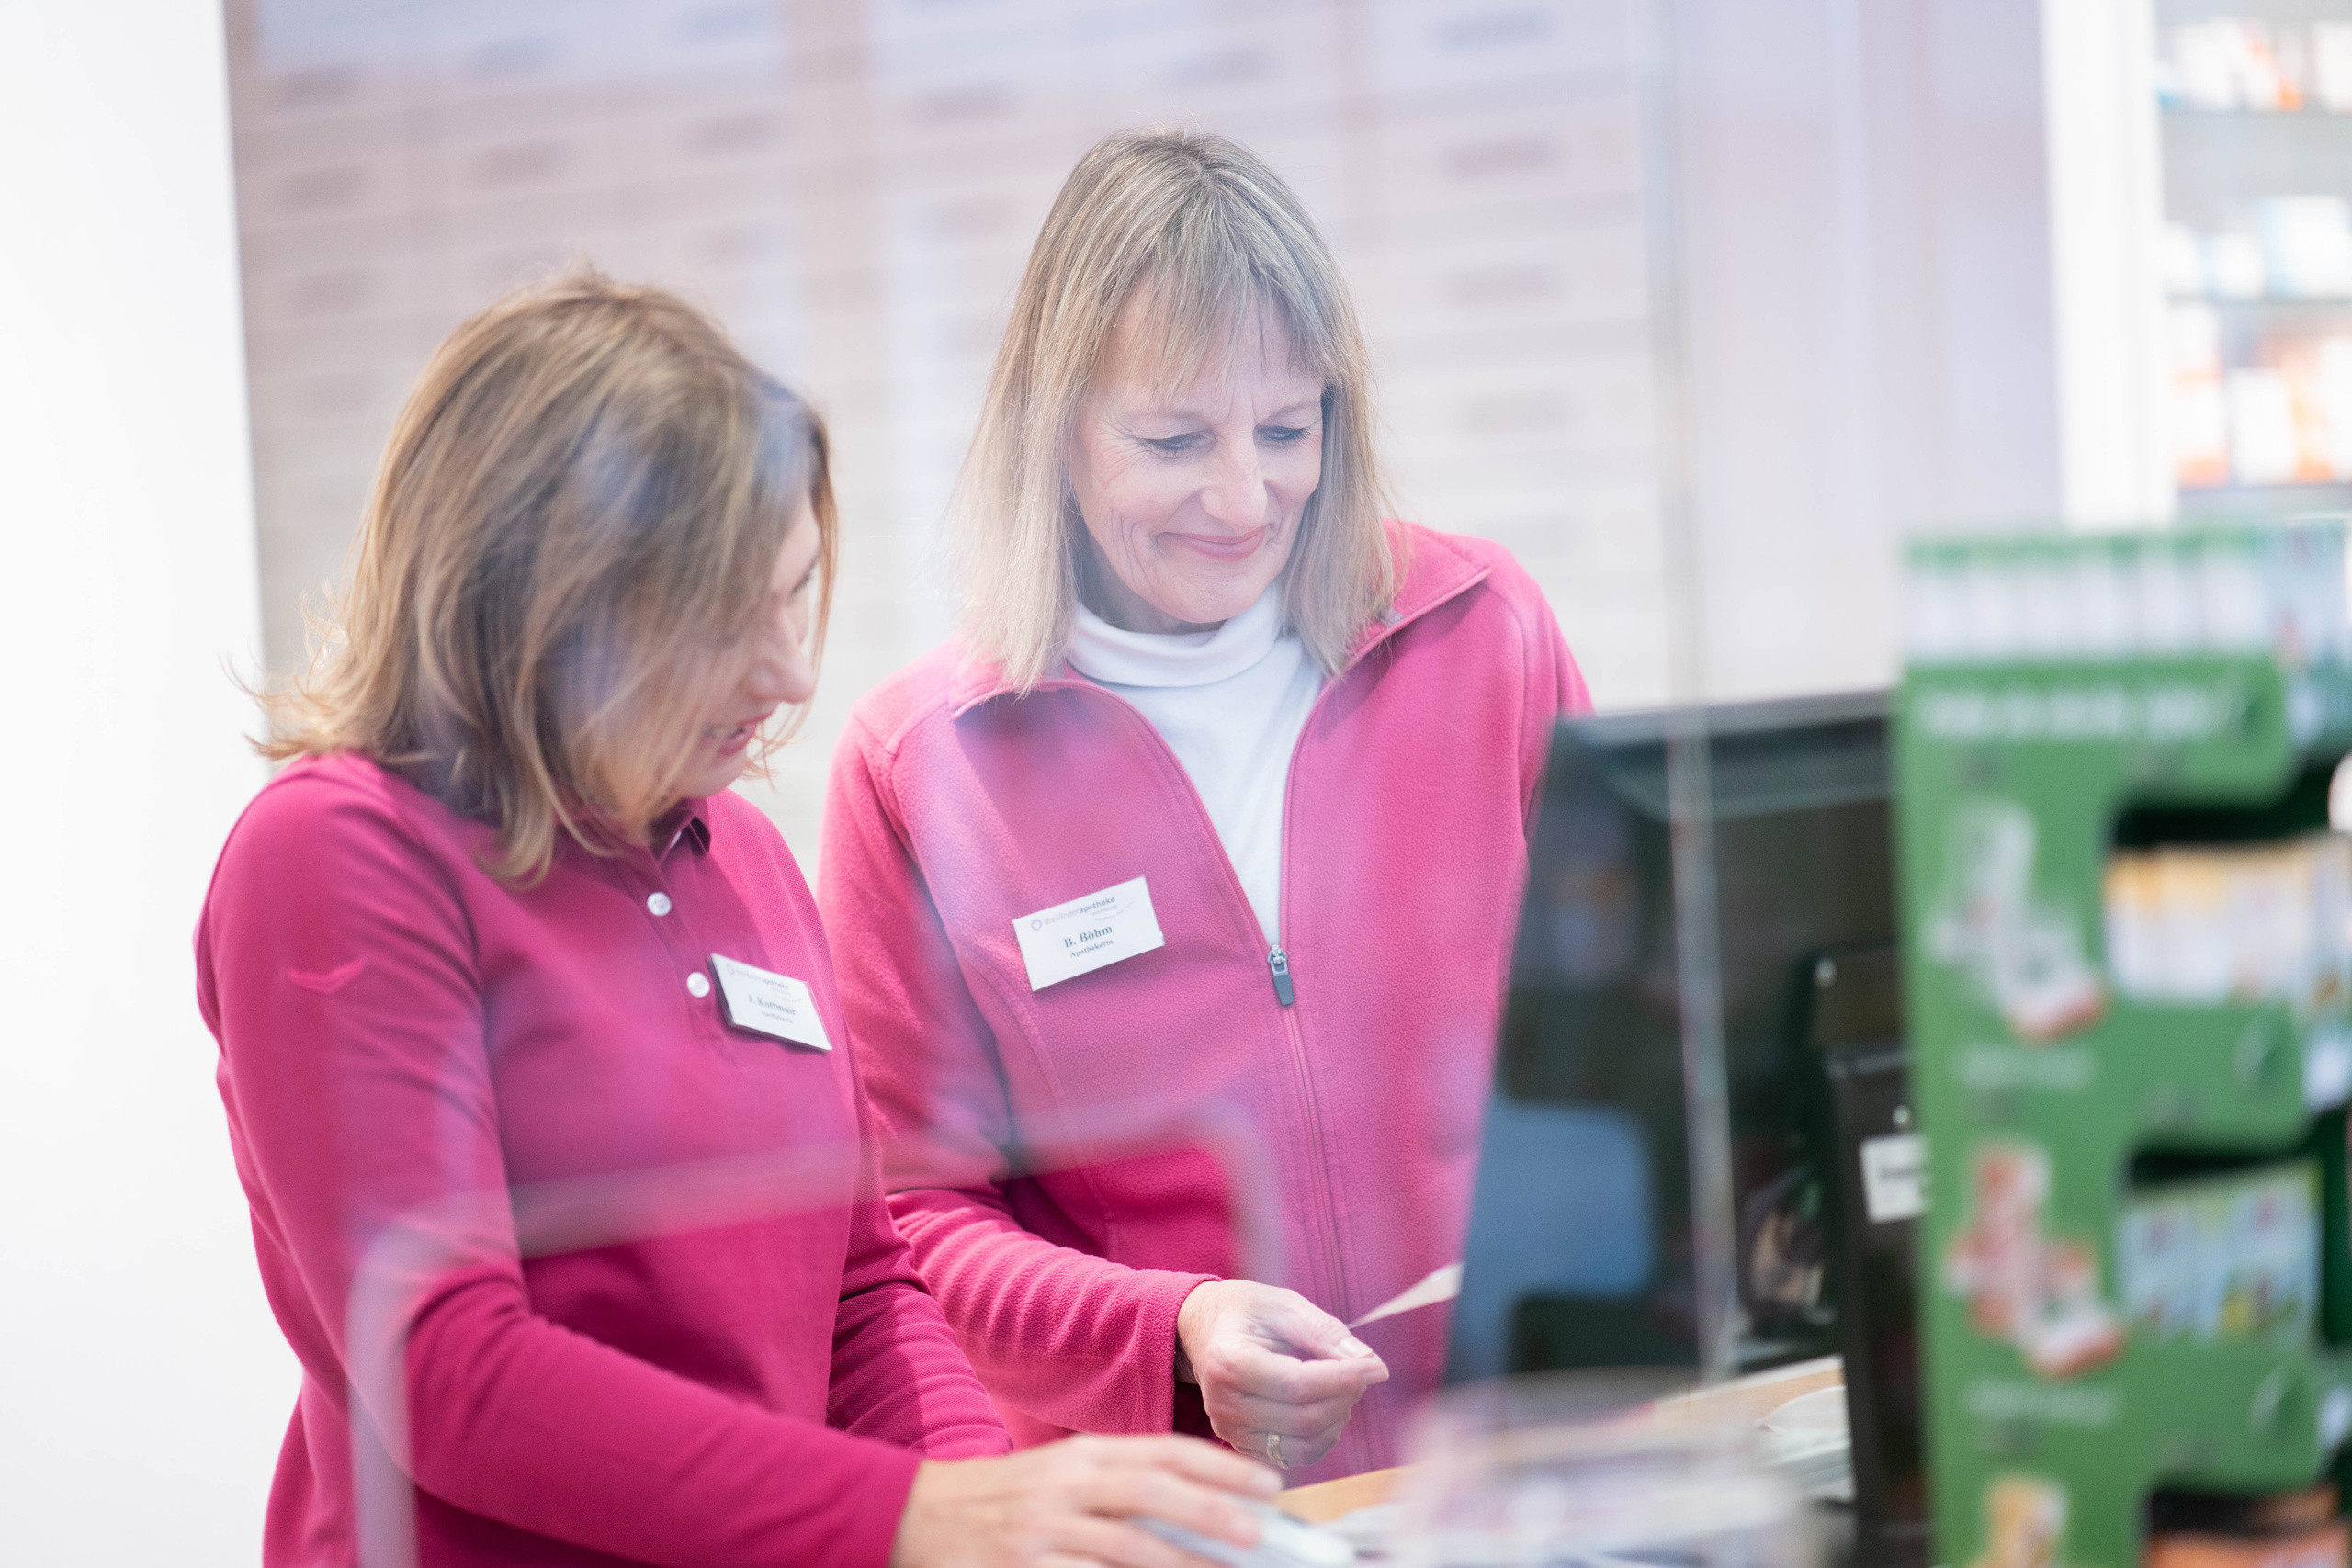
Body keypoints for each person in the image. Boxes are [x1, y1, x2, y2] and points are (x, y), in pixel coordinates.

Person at [198, 272, 1279, 1568]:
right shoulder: (339, 852)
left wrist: (995, 1513)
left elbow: (865, 1297)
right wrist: (911, 1519)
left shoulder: (746, 852)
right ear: (544, 606)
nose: (789, 675)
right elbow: (445, 1370)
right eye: (723, 622)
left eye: (797, 593)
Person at [820, 130, 1592, 1484]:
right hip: (1174, 1510)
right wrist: (1171, 1330)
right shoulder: (918, 768)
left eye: (1287, 429)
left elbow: (1645, 1042)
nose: (1246, 497)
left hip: (1515, 1477)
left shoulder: (1487, 636)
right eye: (1175, 440)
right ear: (1055, 431)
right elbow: (912, 1224)